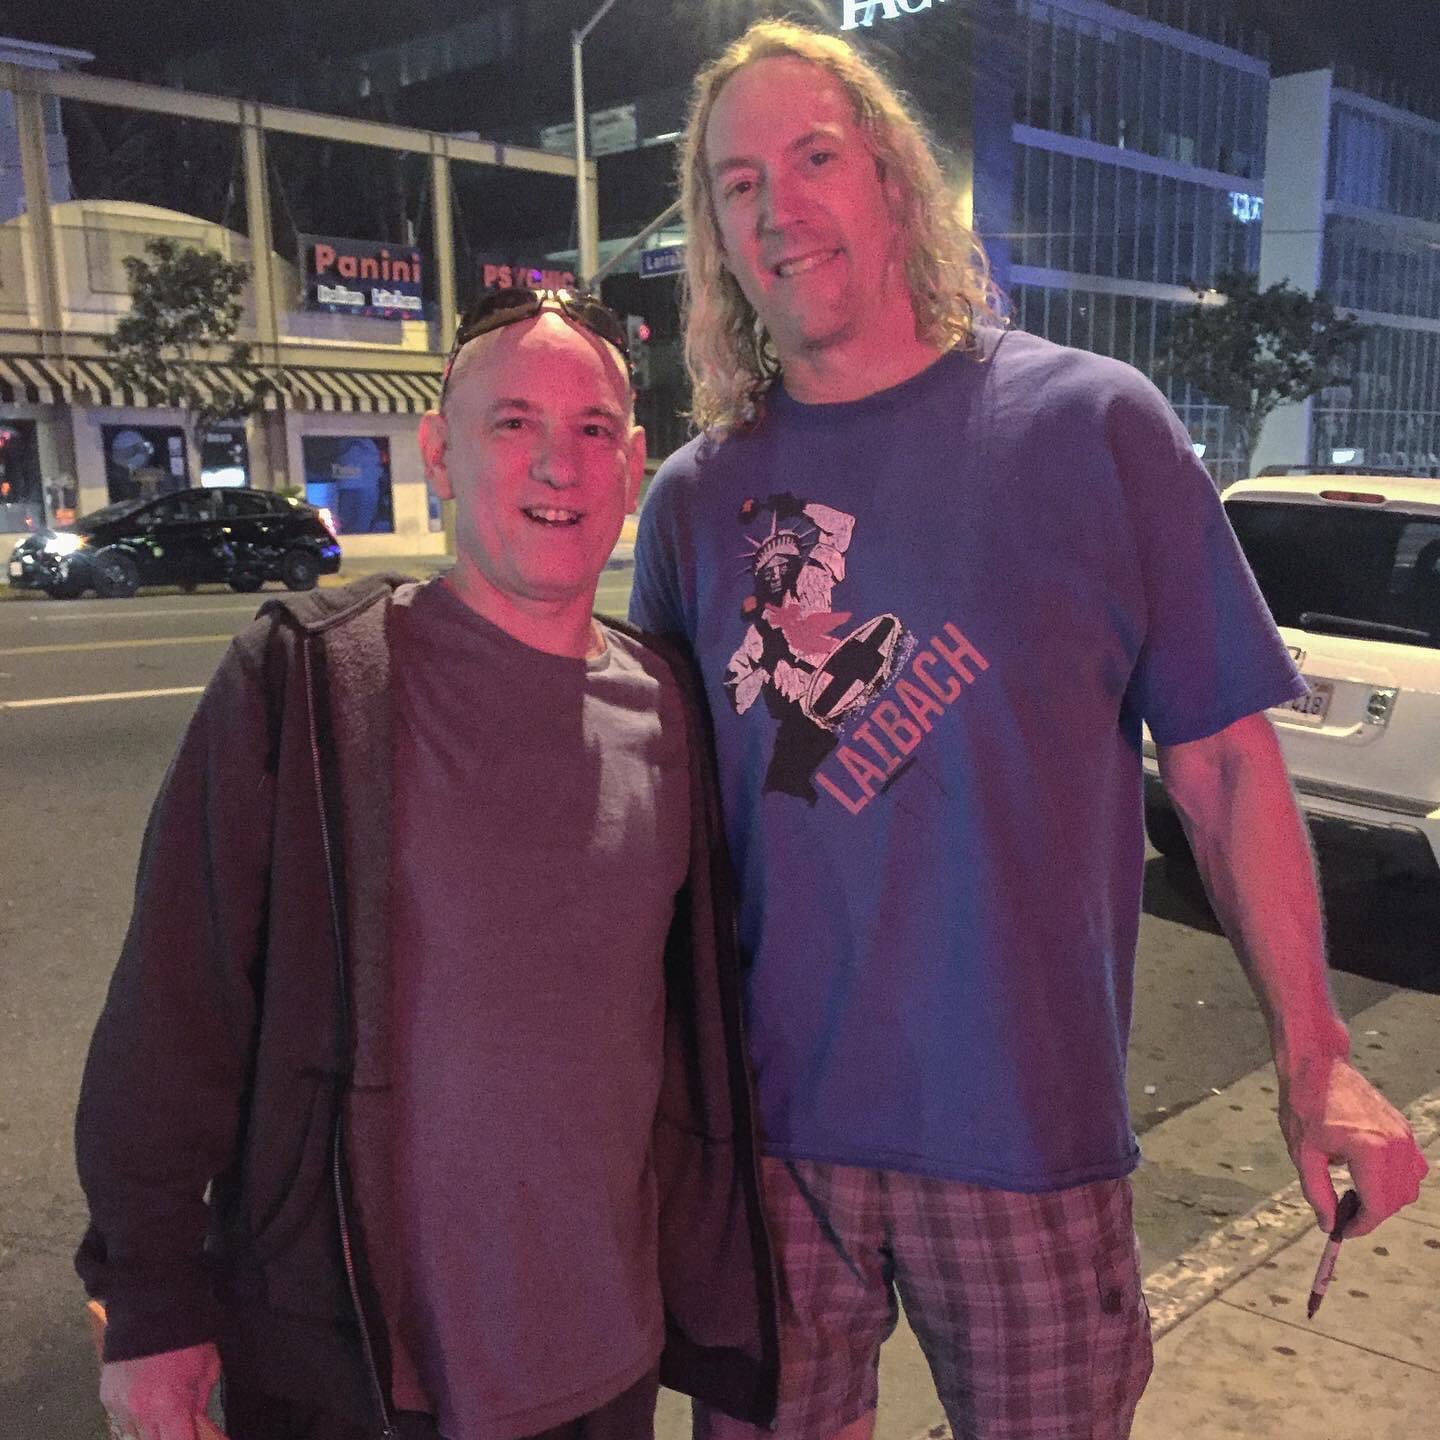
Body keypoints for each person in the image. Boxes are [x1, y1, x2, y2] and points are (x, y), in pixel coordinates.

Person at [628, 21, 1428, 1440]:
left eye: (813, 158)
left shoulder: (1088, 427)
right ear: (715, 236)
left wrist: (1317, 1057)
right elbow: (655, 829)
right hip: (768, 1150)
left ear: (890, 179)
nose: (777, 208)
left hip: (1027, 1145)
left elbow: (1228, 762)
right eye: (735, 184)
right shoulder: (696, 502)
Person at [75, 289, 778, 1440]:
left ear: (634, 462)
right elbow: (174, 1008)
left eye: (594, 429)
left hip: (606, 1365)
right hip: (358, 1373)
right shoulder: (305, 684)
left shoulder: (671, 707)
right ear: (440, 453)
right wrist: (151, 1302)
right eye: (512, 425)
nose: (559, 464)